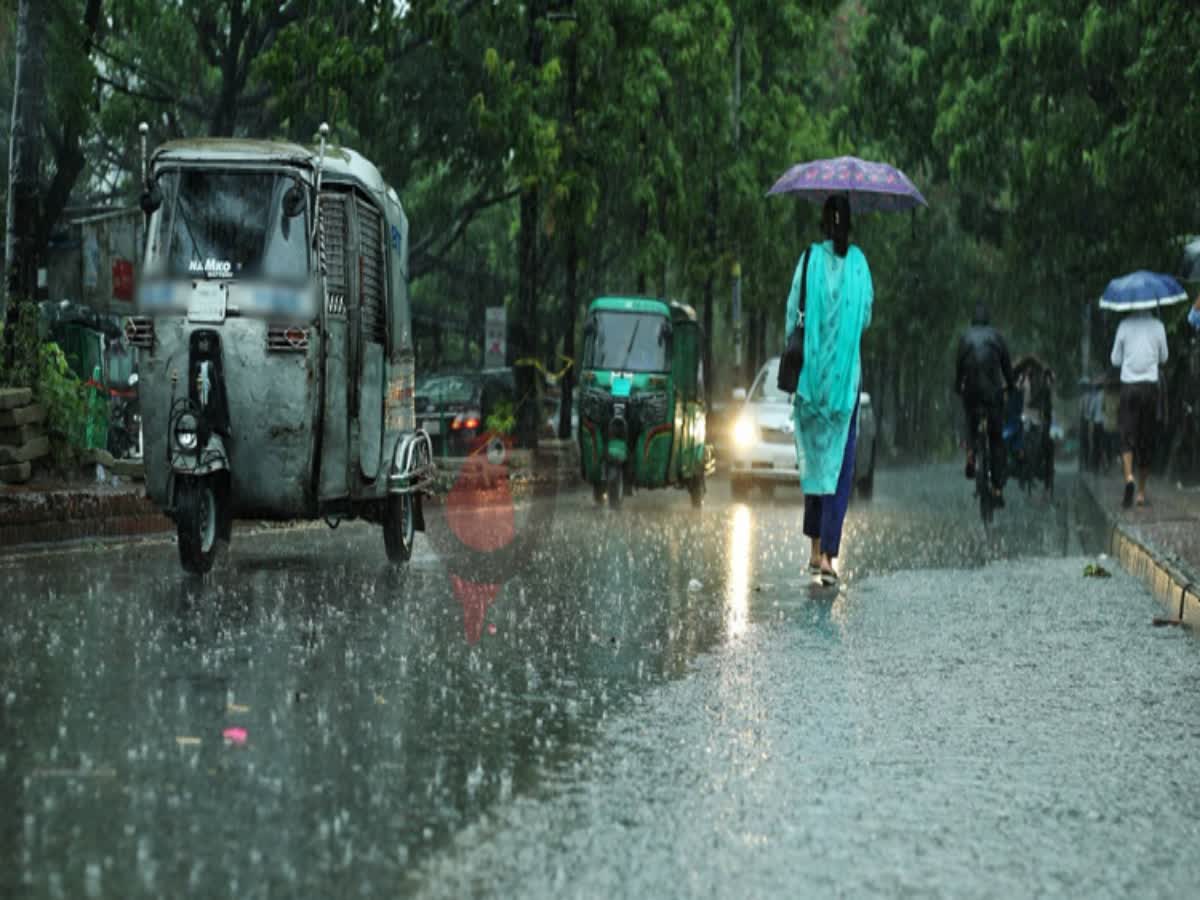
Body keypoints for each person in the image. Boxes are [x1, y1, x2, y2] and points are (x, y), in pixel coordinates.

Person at [787, 194, 872, 586]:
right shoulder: (859, 265)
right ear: (849, 223)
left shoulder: (807, 260)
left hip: (810, 382)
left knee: (818, 463)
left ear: (823, 222)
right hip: (844, 387)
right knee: (839, 467)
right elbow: (866, 316)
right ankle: (828, 558)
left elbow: (793, 315)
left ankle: (812, 547)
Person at [954, 302, 1015, 504]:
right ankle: (997, 488)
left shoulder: (965, 338)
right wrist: (1012, 386)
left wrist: (958, 387)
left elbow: (959, 369)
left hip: (971, 394)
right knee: (996, 439)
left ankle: (971, 453)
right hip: (993, 394)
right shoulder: (997, 337)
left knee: (971, 424)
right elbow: (1007, 367)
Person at [1111, 308, 1167, 507]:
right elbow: (1164, 358)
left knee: (1126, 436)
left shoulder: (1124, 325)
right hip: (1149, 389)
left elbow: (1115, 359)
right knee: (1145, 439)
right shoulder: (1158, 326)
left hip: (1129, 389)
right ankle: (1141, 493)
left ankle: (1129, 478)